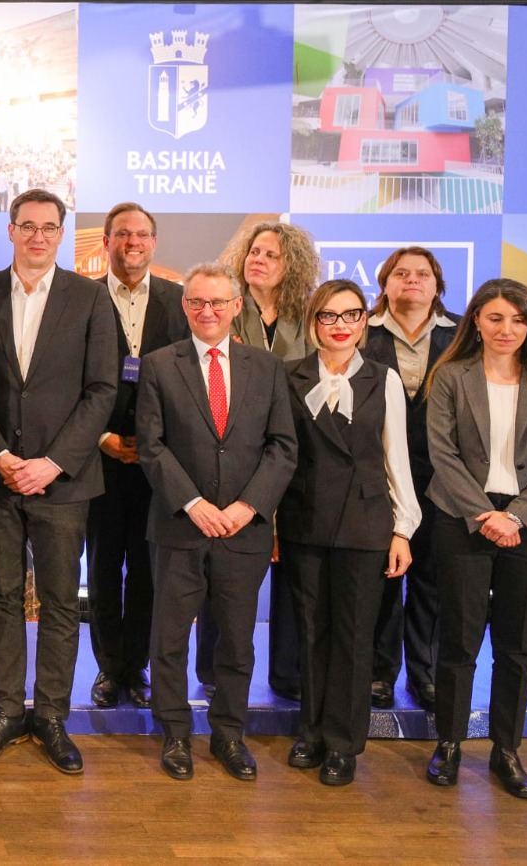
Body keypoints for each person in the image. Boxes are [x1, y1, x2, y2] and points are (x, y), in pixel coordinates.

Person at [0, 190, 118, 775]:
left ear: (61, 233)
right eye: (28, 226)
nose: (38, 237)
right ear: (10, 230)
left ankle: (50, 715)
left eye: (49, 227)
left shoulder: (90, 297)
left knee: (59, 602)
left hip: (63, 481)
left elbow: (102, 390)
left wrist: (53, 462)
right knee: (0, 597)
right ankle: (6, 710)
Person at [136, 261, 297, 782]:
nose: (207, 311)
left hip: (243, 531)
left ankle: (229, 735)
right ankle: (175, 735)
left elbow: (282, 447)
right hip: (179, 527)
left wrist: (247, 507)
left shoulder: (267, 367)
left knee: (236, 641)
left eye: (218, 302)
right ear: (185, 306)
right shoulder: (159, 364)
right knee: (169, 640)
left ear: (236, 306)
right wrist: (193, 503)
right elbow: (152, 446)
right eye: (197, 302)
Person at [422, 279, 527, 800]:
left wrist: (515, 517)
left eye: (518, 319)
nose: (506, 329)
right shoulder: (451, 377)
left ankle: (506, 749)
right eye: (495, 318)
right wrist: (484, 514)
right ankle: (449, 743)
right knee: (458, 641)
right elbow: (442, 454)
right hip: (463, 519)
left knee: (517, 648)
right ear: (476, 322)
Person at [280, 279, 421, 787]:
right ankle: (312, 732)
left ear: (364, 321)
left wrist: (403, 529)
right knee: (310, 631)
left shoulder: (383, 379)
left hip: (365, 523)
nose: (340, 325)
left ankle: (343, 743)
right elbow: (280, 455)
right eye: (329, 315)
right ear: (313, 322)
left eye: (351, 315)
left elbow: (396, 457)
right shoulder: (289, 375)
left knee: (355, 636)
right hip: (305, 519)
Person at [203, 219, 318, 701]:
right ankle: (213, 671)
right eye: (254, 252)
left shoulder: (309, 315)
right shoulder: (225, 307)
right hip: (230, 458)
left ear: (292, 264)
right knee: (223, 572)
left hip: (295, 457)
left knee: (294, 571)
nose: (260, 261)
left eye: (271, 255)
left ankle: (288, 674)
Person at [87, 202, 188, 710]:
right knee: (103, 567)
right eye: (122, 234)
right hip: (97, 456)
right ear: (106, 241)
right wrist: (101, 436)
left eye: (142, 234)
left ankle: (139, 665)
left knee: (150, 570)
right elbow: (67, 380)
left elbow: (187, 383)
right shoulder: (80, 298)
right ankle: (109, 668)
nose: (132, 242)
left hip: (158, 461)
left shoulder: (179, 301)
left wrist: (152, 444)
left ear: (154, 242)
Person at [363, 247, 460, 711]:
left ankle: (426, 674)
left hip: (445, 477)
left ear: (437, 285)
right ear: (385, 283)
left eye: (423, 274)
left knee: (432, 579)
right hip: (379, 474)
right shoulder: (362, 330)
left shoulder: (463, 334)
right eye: (401, 273)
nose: (412, 280)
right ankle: (379, 672)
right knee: (383, 576)